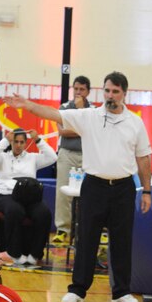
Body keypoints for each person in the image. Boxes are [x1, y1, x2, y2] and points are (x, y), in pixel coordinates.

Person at [5, 71, 152, 302]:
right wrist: (28, 105)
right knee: (87, 238)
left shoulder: (135, 123)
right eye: (107, 90)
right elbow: (55, 113)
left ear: (124, 93)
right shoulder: (89, 116)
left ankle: (121, 292)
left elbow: (144, 157)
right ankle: (78, 290)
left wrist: (146, 190)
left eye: (115, 91)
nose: (110, 95)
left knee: (123, 241)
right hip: (94, 185)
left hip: (123, 187)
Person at [0, 127, 56, 266]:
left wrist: (38, 140)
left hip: (29, 197)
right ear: (12, 142)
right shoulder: (2, 158)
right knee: (15, 210)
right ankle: (14, 253)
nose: (18, 145)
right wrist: (5, 140)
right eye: (15, 142)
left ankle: (35, 254)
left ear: (25, 143)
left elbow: (53, 157)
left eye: (22, 142)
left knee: (44, 213)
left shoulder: (32, 158)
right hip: (6, 196)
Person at [53, 76, 92, 245]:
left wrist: (76, 127)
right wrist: (81, 127)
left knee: (88, 193)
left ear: (88, 92)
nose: (78, 92)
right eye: (76, 88)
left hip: (87, 155)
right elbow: (62, 131)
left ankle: (85, 229)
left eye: (82, 89)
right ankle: (63, 229)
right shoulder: (64, 108)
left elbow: (91, 130)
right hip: (67, 153)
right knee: (63, 192)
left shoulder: (93, 111)